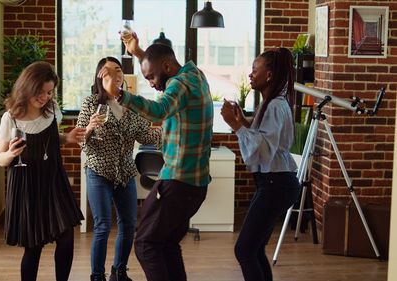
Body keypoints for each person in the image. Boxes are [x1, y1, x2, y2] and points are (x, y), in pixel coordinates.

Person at [100, 34, 213, 281]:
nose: (150, 83)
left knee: (145, 244)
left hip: (178, 181)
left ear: (166, 67)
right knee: (166, 244)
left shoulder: (178, 85)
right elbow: (159, 63)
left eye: (150, 77)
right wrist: (140, 53)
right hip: (195, 184)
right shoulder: (195, 75)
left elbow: (159, 110)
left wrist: (119, 94)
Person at [0, 61, 85, 281]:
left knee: (66, 237)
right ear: (28, 86)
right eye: (41, 92)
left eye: (49, 92)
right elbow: (0, 159)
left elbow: (52, 140)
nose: (45, 97)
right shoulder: (10, 118)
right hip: (26, 185)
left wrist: (67, 138)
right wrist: (11, 154)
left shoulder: (52, 110)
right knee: (33, 247)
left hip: (54, 180)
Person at [77, 57, 162, 281]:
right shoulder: (90, 104)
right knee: (103, 226)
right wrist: (89, 129)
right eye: (108, 71)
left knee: (129, 224)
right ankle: (97, 276)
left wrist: (171, 130)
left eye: (118, 70)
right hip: (99, 171)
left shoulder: (131, 105)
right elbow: (79, 140)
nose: (114, 74)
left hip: (125, 172)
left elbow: (147, 135)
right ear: (99, 77)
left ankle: (119, 271)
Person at [220, 47, 301, 281]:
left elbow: (263, 150)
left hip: (276, 184)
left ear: (270, 75)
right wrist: (241, 120)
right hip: (275, 182)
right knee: (253, 249)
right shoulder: (272, 103)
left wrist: (235, 126)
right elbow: (264, 138)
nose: (250, 74)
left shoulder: (275, 105)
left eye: (255, 70)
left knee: (244, 250)